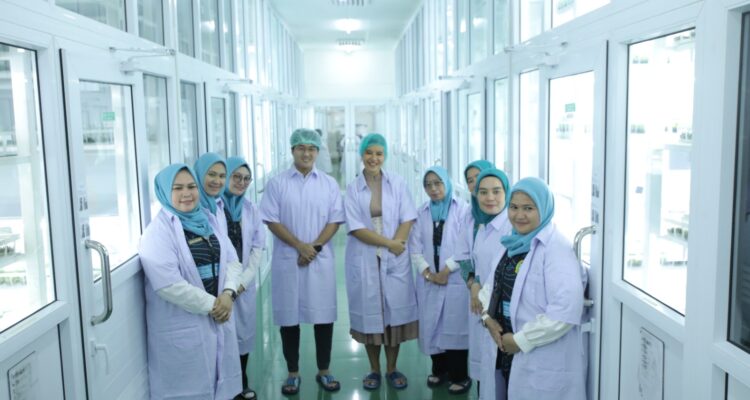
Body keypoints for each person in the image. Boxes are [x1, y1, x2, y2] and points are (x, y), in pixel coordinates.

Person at [139, 164, 242, 400]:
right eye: (177, 188)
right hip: (186, 324)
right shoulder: (157, 233)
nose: (186, 193)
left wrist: (228, 293)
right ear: (165, 192)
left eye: (191, 186)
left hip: (220, 310)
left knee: (221, 385)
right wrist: (215, 306)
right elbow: (169, 285)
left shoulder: (207, 220)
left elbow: (232, 261)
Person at [478, 177, 587, 400]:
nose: (519, 215)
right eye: (514, 207)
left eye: (528, 208)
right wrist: (487, 318)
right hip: (505, 347)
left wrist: (521, 340)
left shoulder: (557, 249)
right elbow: (491, 285)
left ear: (544, 209)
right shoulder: (512, 242)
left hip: (535, 353)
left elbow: (564, 311)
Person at [259, 128, 345, 395]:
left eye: (311, 149)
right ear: (292, 150)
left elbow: (335, 220)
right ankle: (293, 373)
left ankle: (324, 370)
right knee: (289, 317)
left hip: (319, 259)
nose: (306, 153)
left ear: (317, 152)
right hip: (289, 258)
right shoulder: (277, 183)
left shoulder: (329, 184)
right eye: (301, 148)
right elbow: (271, 220)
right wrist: (299, 246)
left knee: (323, 316)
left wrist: (314, 248)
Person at [344, 133, 418, 391]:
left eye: (379, 153)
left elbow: (408, 217)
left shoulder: (397, 182)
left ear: (384, 156)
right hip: (366, 255)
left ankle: (392, 368)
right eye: (369, 153)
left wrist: (397, 244)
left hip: (394, 255)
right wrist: (389, 244)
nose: (373, 158)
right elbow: (356, 228)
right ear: (361, 155)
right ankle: (374, 369)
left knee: (393, 314)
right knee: (370, 316)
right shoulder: (353, 188)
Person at [410, 166, 472, 394]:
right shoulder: (422, 212)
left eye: (438, 183)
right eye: (428, 185)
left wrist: (446, 271)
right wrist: (428, 273)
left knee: (454, 327)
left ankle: (460, 375)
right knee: (432, 325)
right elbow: (415, 247)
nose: (433, 189)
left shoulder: (463, 210)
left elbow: (465, 246)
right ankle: (439, 370)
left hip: (454, 279)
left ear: (447, 183)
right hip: (430, 280)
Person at [222, 157, 266, 400]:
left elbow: (257, 248)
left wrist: (241, 283)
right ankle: (224, 387)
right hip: (220, 286)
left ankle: (242, 383)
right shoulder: (212, 208)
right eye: (236, 177)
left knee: (243, 335)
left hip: (243, 284)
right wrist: (229, 287)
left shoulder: (251, 209)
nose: (241, 182)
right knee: (222, 337)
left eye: (246, 179)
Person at [454, 160, 495, 389]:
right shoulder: (470, 216)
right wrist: (472, 284)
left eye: (479, 177)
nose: (475, 183)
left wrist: (479, 287)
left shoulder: (507, 218)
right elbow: (462, 255)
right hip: (476, 296)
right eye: (470, 180)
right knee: (481, 355)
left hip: (496, 297)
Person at [194, 152, 229, 235]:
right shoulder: (191, 209)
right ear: (199, 174)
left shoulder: (219, 205)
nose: (217, 181)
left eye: (222, 176)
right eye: (212, 175)